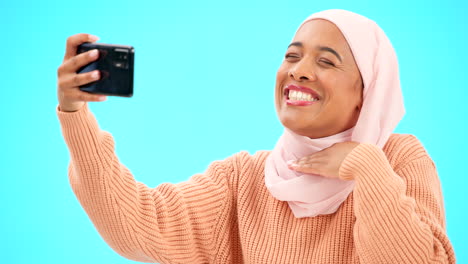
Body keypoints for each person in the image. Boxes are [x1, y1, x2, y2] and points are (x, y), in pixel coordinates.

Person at [56, 9, 456, 264]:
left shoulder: (399, 161)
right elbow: (138, 224)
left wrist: (365, 167)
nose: (298, 71)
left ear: (366, 94)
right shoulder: (244, 179)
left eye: (326, 61)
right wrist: (76, 115)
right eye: (292, 55)